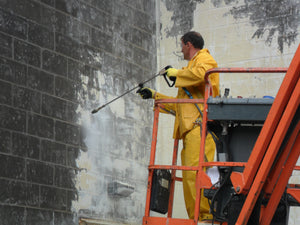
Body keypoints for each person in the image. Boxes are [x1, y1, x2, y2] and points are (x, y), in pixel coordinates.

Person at [137, 31, 219, 221]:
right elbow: (182, 107)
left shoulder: (204, 58)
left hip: (200, 128)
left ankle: (204, 216)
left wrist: (177, 73)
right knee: (190, 177)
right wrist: (155, 96)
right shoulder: (190, 69)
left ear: (188, 44)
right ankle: (197, 217)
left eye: (181, 45)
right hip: (191, 130)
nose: (180, 50)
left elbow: (203, 74)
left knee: (196, 175)